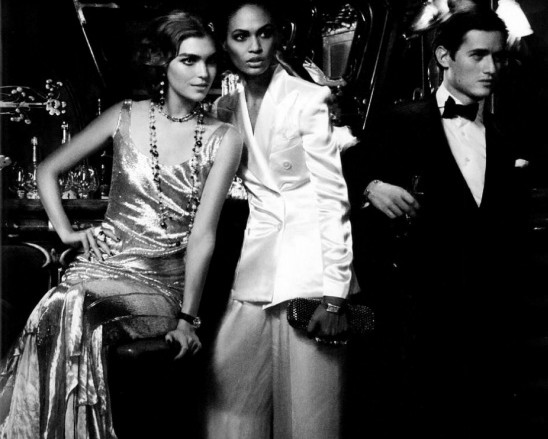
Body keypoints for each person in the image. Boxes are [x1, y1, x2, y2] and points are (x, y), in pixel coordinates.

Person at [0, 10, 242, 438]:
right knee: (56, 303)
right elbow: (47, 171)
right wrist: (68, 232)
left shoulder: (225, 136)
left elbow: (204, 236)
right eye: (189, 60)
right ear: (162, 64)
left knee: (69, 304)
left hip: (160, 283)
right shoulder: (124, 115)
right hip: (100, 269)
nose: (203, 72)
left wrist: (188, 319)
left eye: (209, 61)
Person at [353, 7, 527, 438]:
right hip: (414, 325)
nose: (491, 68)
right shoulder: (398, 120)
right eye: (478, 55)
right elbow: (341, 175)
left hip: (485, 328)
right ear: (444, 57)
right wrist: (371, 186)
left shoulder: (505, 138)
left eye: (498, 57)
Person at [203, 1, 356, 438]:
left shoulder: (307, 97)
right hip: (256, 267)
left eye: (264, 34)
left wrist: (335, 295)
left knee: (309, 414)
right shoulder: (225, 107)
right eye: (241, 36)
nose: (255, 47)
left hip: (310, 272)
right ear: (224, 43)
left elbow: (332, 199)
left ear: (278, 36)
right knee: (231, 400)